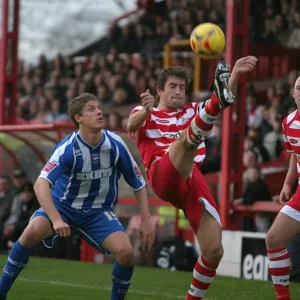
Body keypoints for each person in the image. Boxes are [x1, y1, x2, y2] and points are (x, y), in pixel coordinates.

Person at [0, 93, 155, 300]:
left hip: (98, 213)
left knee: (126, 252)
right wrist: (55, 218)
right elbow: (40, 184)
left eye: (99, 107)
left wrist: (145, 219)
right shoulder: (67, 148)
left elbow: (138, 182)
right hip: (62, 207)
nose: (99, 111)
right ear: (78, 118)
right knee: (30, 233)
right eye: (91, 109)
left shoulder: (115, 144)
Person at [127, 56, 258, 299]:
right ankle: (193, 133)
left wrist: (236, 74)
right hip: (162, 174)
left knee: (214, 250)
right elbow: (131, 124)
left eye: (182, 88)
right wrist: (145, 111)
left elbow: (221, 100)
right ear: (159, 91)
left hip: (190, 177)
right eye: (173, 87)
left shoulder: (190, 111)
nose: (178, 92)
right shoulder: (147, 113)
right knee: (185, 141)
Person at [265, 75, 300, 300]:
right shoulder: (289, 123)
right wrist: (288, 184)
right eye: (298, 88)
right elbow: (293, 156)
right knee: (274, 238)